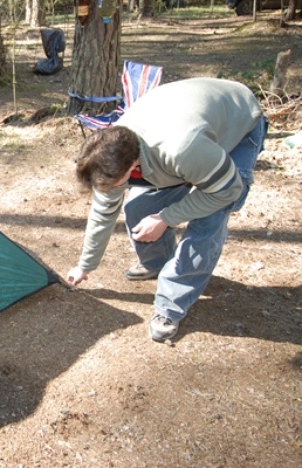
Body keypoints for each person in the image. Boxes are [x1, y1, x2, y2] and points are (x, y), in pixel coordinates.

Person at [65, 77, 267, 343]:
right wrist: (85, 265)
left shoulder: (182, 148)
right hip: (188, 135)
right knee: (140, 206)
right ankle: (157, 262)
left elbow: (228, 190)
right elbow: (104, 212)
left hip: (237, 126)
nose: (112, 188)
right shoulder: (113, 149)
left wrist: (166, 217)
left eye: (115, 183)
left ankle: (170, 307)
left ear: (132, 166)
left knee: (208, 223)